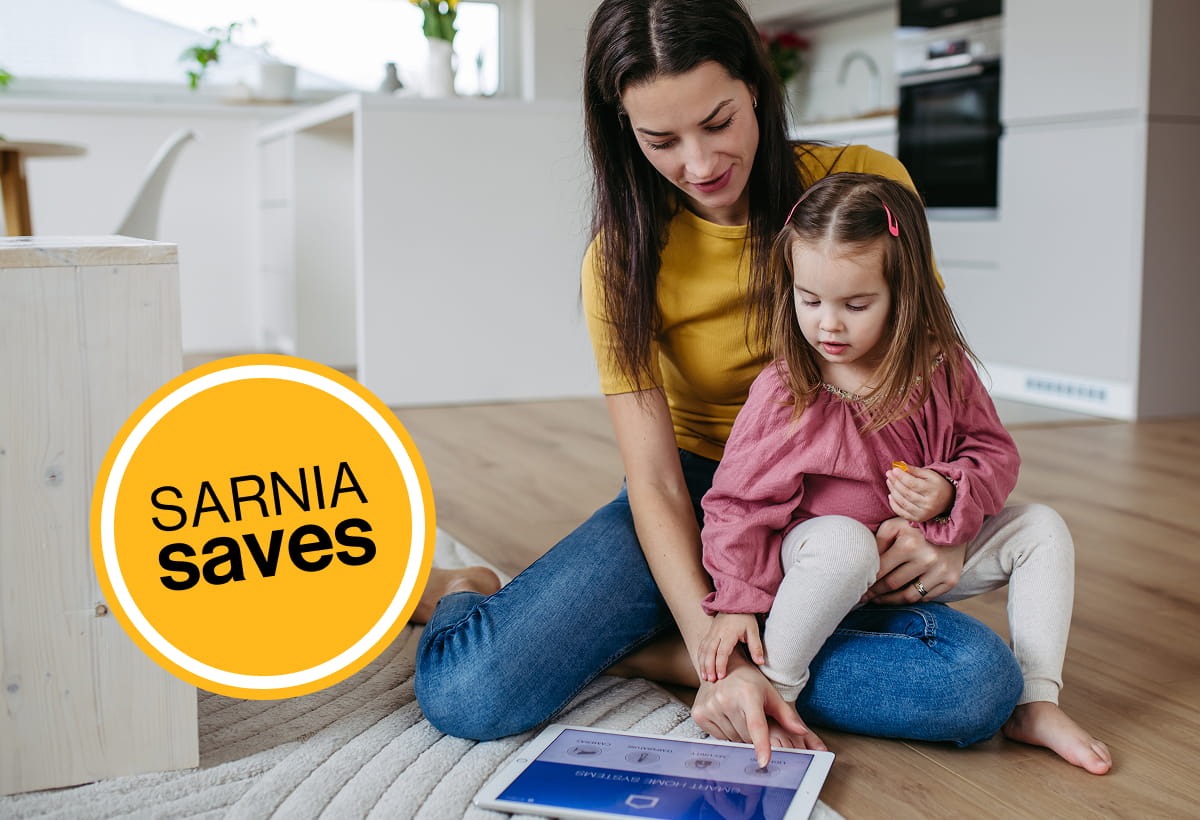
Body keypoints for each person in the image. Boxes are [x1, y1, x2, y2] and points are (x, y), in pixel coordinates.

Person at [414, 0, 1024, 767]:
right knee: (471, 690)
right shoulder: (620, 263)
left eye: (718, 121)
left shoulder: (864, 190)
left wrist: (953, 525)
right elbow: (656, 483)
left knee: (975, 686)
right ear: (621, 132)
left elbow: (931, 376)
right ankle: (474, 590)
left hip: (849, 495)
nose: (699, 164)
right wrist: (715, 651)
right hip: (706, 498)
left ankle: (652, 649)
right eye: (661, 140)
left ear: (757, 88)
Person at [696, 172, 1113, 775]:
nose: (828, 326)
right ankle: (778, 690)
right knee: (844, 542)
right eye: (808, 300)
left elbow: (996, 454)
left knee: (1042, 528)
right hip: (820, 564)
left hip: (914, 560)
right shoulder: (788, 390)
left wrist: (948, 489)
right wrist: (736, 601)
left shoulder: (942, 369)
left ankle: (1035, 702)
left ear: (903, 292)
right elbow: (737, 503)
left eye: (855, 305)